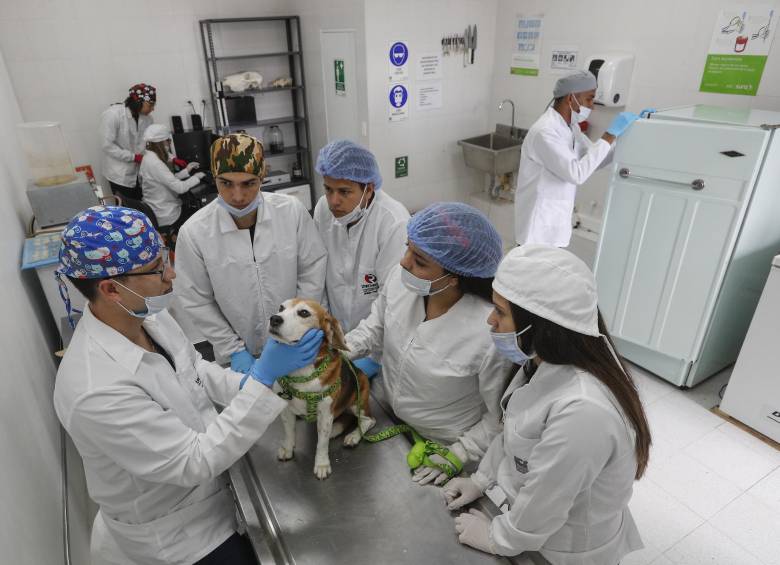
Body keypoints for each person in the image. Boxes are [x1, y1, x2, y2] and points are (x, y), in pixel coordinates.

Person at [53, 205, 323, 565]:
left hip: (218, 492)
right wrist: (262, 380)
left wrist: (250, 381)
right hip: (180, 537)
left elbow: (194, 368)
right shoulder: (95, 390)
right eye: (156, 269)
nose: (172, 274)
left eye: (165, 257)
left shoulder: (149, 315)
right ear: (110, 289)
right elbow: (193, 461)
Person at [443, 245, 651, 565]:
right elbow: (515, 433)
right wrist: (480, 479)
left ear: (540, 324)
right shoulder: (542, 361)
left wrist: (497, 539)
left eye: (500, 311)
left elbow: (546, 501)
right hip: (537, 525)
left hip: (565, 550)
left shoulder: (584, 411)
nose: (490, 319)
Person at [345, 202, 513, 485]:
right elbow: (375, 326)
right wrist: (337, 350)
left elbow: (500, 417)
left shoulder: (489, 331)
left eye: (420, 261)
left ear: (456, 277)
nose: (403, 262)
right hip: (389, 417)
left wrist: (460, 453)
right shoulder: (403, 283)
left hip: (445, 448)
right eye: (407, 247)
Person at [174, 133, 327, 373]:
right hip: (237, 353)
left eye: (248, 183)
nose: (237, 196)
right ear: (214, 178)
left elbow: (312, 270)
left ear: (262, 177)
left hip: (294, 343)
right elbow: (196, 299)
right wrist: (233, 349)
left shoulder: (291, 213)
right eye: (226, 183)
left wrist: (298, 326)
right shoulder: (195, 233)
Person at [514, 70, 648, 247]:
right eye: (589, 99)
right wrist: (609, 134)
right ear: (571, 99)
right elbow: (577, 174)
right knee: (532, 274)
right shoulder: (545, 132)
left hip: (554, 223)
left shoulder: (571, 128)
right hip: (536, 229)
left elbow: (593, 159)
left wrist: (625, 135)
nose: (592, 106)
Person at [313, 139, 410, 377]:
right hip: (338, 336)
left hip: (379, 347)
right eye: (328, 189)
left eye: (344, 191)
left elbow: (391, 299)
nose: (334, 201)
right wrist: (325, 330)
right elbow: (318, 274)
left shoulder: (393, 222)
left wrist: (375, 357)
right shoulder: (323, 210)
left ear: (369, 189)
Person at [139, 124, 205, 237]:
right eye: (168, 141)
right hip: (166, 214)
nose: (169, 144)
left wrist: (187, 170)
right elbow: (179, 188)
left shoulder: (148, 157)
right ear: (161, 143)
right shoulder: (155, 163)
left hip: (157, 207)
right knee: (199, 213)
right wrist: (197, 177)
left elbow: (166, 179)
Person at [100, 83, 156, 201]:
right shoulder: (113, 114)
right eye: (150, 104)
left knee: (141, 205)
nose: (153, 109)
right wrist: (133, 157)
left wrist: (169, 157)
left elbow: (152, 142)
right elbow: (107, 145)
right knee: (126, 208)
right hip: (119, 173)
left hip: (139, 171)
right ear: (139, 101)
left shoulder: (148, 119)